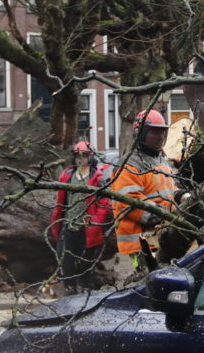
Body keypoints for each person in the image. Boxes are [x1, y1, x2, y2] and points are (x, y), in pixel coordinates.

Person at [109, 110, 178, 283]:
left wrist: (181, 196)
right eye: (155, 131)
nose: (160, 136)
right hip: (140, 241)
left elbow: (169, 190)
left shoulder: (161, 160)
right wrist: (161, 214)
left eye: (162, 131)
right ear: (141, 133)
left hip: (161, 235)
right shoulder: (130, 164)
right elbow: (129, 202)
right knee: (149, 281)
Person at [48, 141, 114, 292]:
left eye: (84, 155)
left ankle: (85, 292)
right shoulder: (67, 175)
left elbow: (104, 204)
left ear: (90, 157)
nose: (80, 159)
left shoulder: (98, 178)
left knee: (86, 265)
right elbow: (60, 200)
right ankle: (69, 290)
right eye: (78, 155)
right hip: (68, 225)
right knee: (66, 262)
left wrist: (95, 222)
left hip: (87, 228)